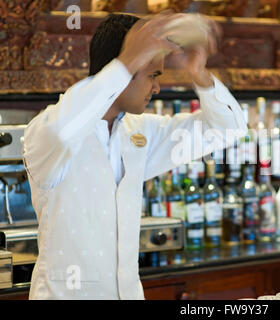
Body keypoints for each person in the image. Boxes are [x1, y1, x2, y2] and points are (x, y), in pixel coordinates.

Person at [23, 12, 247, 300]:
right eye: (152, 75)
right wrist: (128, 60)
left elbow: (228, 129)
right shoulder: (48, 130)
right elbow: (63, 131)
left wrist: (199, 74)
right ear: (123, 67)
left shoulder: (141, 132)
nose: (156, 87)